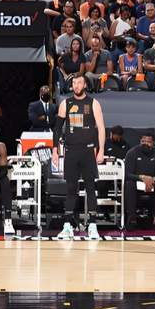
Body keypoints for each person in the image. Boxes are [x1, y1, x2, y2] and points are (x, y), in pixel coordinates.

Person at [52, 75, 106, 239]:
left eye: (79, 82)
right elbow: (57, 128)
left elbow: (101, 128)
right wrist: (55, 149)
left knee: (90, 188)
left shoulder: (93, 103)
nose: (76, 85)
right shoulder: (65, 103)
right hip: (71, 151)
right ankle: (68, 226)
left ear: (85, 85)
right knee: (70, 189)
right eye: (74, 83)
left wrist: (101, 150)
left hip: (88, 151)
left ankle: (93, 226)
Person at [124, 131, 155, 232]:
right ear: (140, 141)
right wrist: (143, 178)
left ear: (153, 143)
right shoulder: (132, 153)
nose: (145, 143)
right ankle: (132, 219)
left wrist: (151, 180)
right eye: (143, 141)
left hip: (153, 182)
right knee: (129, 184)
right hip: (137, 182)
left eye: (148, 141)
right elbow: (128, 174)